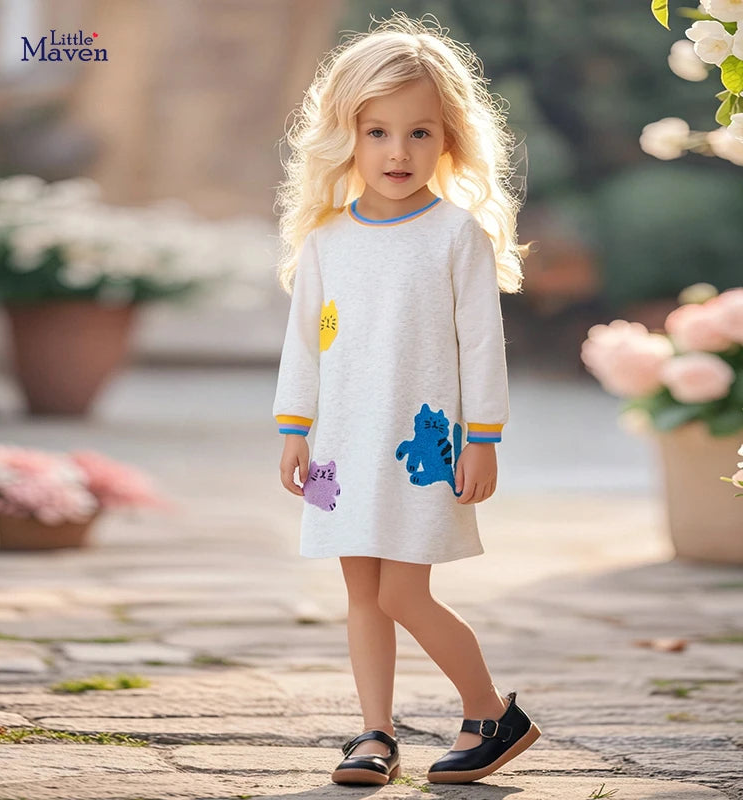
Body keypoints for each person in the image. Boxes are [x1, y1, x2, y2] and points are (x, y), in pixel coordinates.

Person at [272, 11, 539, 786]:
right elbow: (305, 343)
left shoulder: (457, 235)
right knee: (361, 590)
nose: (398, 152)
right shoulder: (325, 239)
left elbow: (480, 345)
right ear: (345, 137)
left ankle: (492, 710)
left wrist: (484, 437)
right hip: (337, 448)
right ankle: (374, 735)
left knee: (402, 590)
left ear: (449, 138)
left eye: (420, 133)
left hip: (421, 445)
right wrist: (294, 430)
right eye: (378, 132)